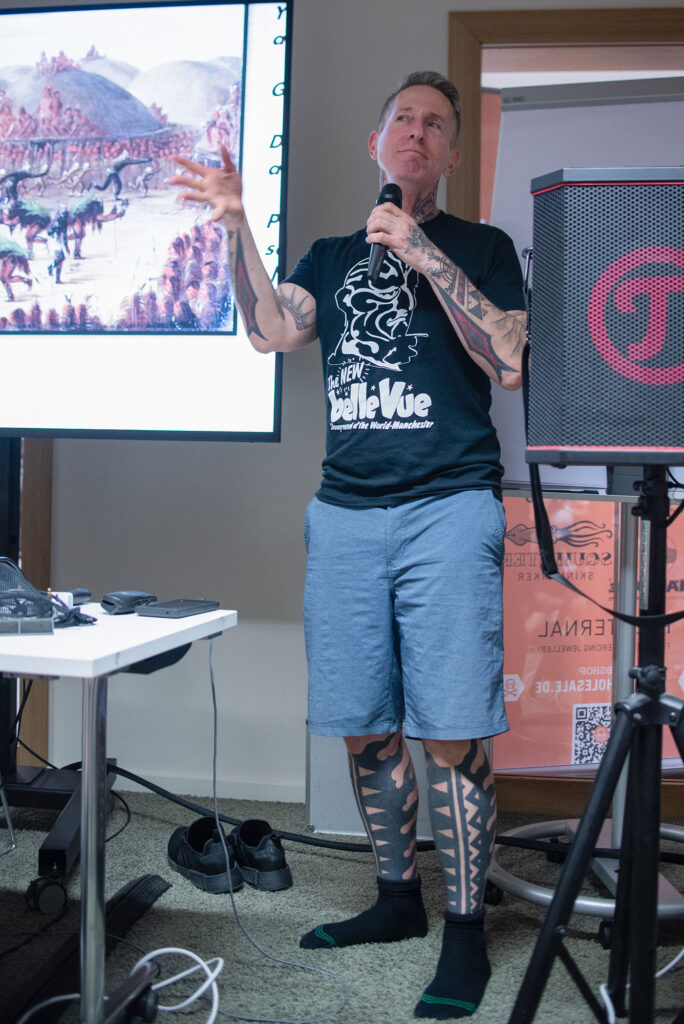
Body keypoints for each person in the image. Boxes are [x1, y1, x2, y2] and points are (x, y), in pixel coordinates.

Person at [171, 70, 526, 1021]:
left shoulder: (485, 248)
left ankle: (464, 935)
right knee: (364, 724)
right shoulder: (330, 256)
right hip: (345, 515)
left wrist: (420, 251)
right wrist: (236, 225)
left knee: (449, 732)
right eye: (403, 119)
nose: (417, 132)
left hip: (449, 506)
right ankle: (397, 900)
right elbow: (270, 331)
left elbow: (508, 359)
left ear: (452, 154)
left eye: (436, 124)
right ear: (377, 143)